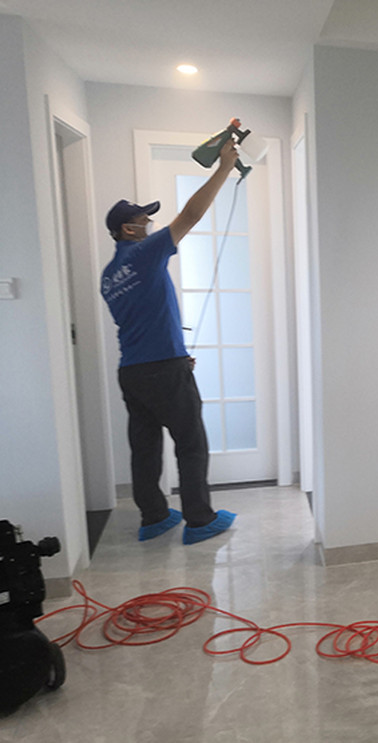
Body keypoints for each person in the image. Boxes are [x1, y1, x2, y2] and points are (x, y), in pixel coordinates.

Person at [101, 139, 239, 545]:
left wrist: (175, 356)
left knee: (144, 449)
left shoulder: (109, 275)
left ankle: (155, 517)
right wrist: (224, 167)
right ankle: (199, 520)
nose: (150, 224)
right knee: (191, 443)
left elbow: (144, 318)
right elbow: (191, 215)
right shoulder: (144, 253)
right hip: (164, 369)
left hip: (133, 372)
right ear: (129, 230)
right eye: (143, 220)